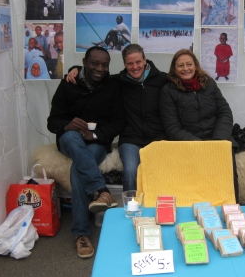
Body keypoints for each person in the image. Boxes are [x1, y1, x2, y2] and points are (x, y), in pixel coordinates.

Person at [47, 46, 124, 258]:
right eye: (94, 63)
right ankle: (101, 190)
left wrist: (96, 135)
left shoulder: (112, 86)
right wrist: (67, 125)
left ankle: (80, 233)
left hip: (97, 143)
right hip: (69, 141)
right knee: (71, 137)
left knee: (77, 170)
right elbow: (52, 122)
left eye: (104, 65)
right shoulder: (68, 84)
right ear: (84, 62)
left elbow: (118, 123)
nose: (100, 68)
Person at [66, 44, 168, 192]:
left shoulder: (162, 79)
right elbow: (94, 74)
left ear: (145, 60)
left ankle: (159, 209)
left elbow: (183, 79)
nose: (134, 67)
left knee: (161, 172)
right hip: (130, 140)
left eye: (138, 62)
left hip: (158, 138)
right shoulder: (118, 81)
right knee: (131, 171)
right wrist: (74, 69)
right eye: (130, 63)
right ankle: (130, 210)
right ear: (124, 64)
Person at [159, 49, 239, 202]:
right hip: (189, 144)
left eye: (189, 64)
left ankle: (231, 210)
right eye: (180, 65)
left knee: (227, 177)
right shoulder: (168, 91)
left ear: (195, 65)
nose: (185, 68)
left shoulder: (209, 83)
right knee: (197, 186)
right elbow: (172, 128)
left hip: (218, 140)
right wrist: (200, 146)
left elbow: (225, 112)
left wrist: (219, 141)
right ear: (174, 69)